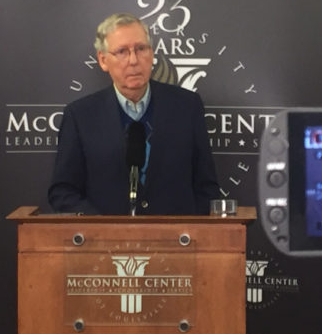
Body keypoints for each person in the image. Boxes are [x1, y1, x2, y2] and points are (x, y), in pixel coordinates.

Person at [48, 13, 220, 215]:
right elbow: (63, 192)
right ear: (103, 61)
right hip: (105, 242)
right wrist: (102, 228)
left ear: (152, 53)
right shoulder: (80, 116)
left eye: (141, 49)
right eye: (121, 51)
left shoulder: (187, 106)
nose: (133, 60)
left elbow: (206, 188)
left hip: (177, 241)